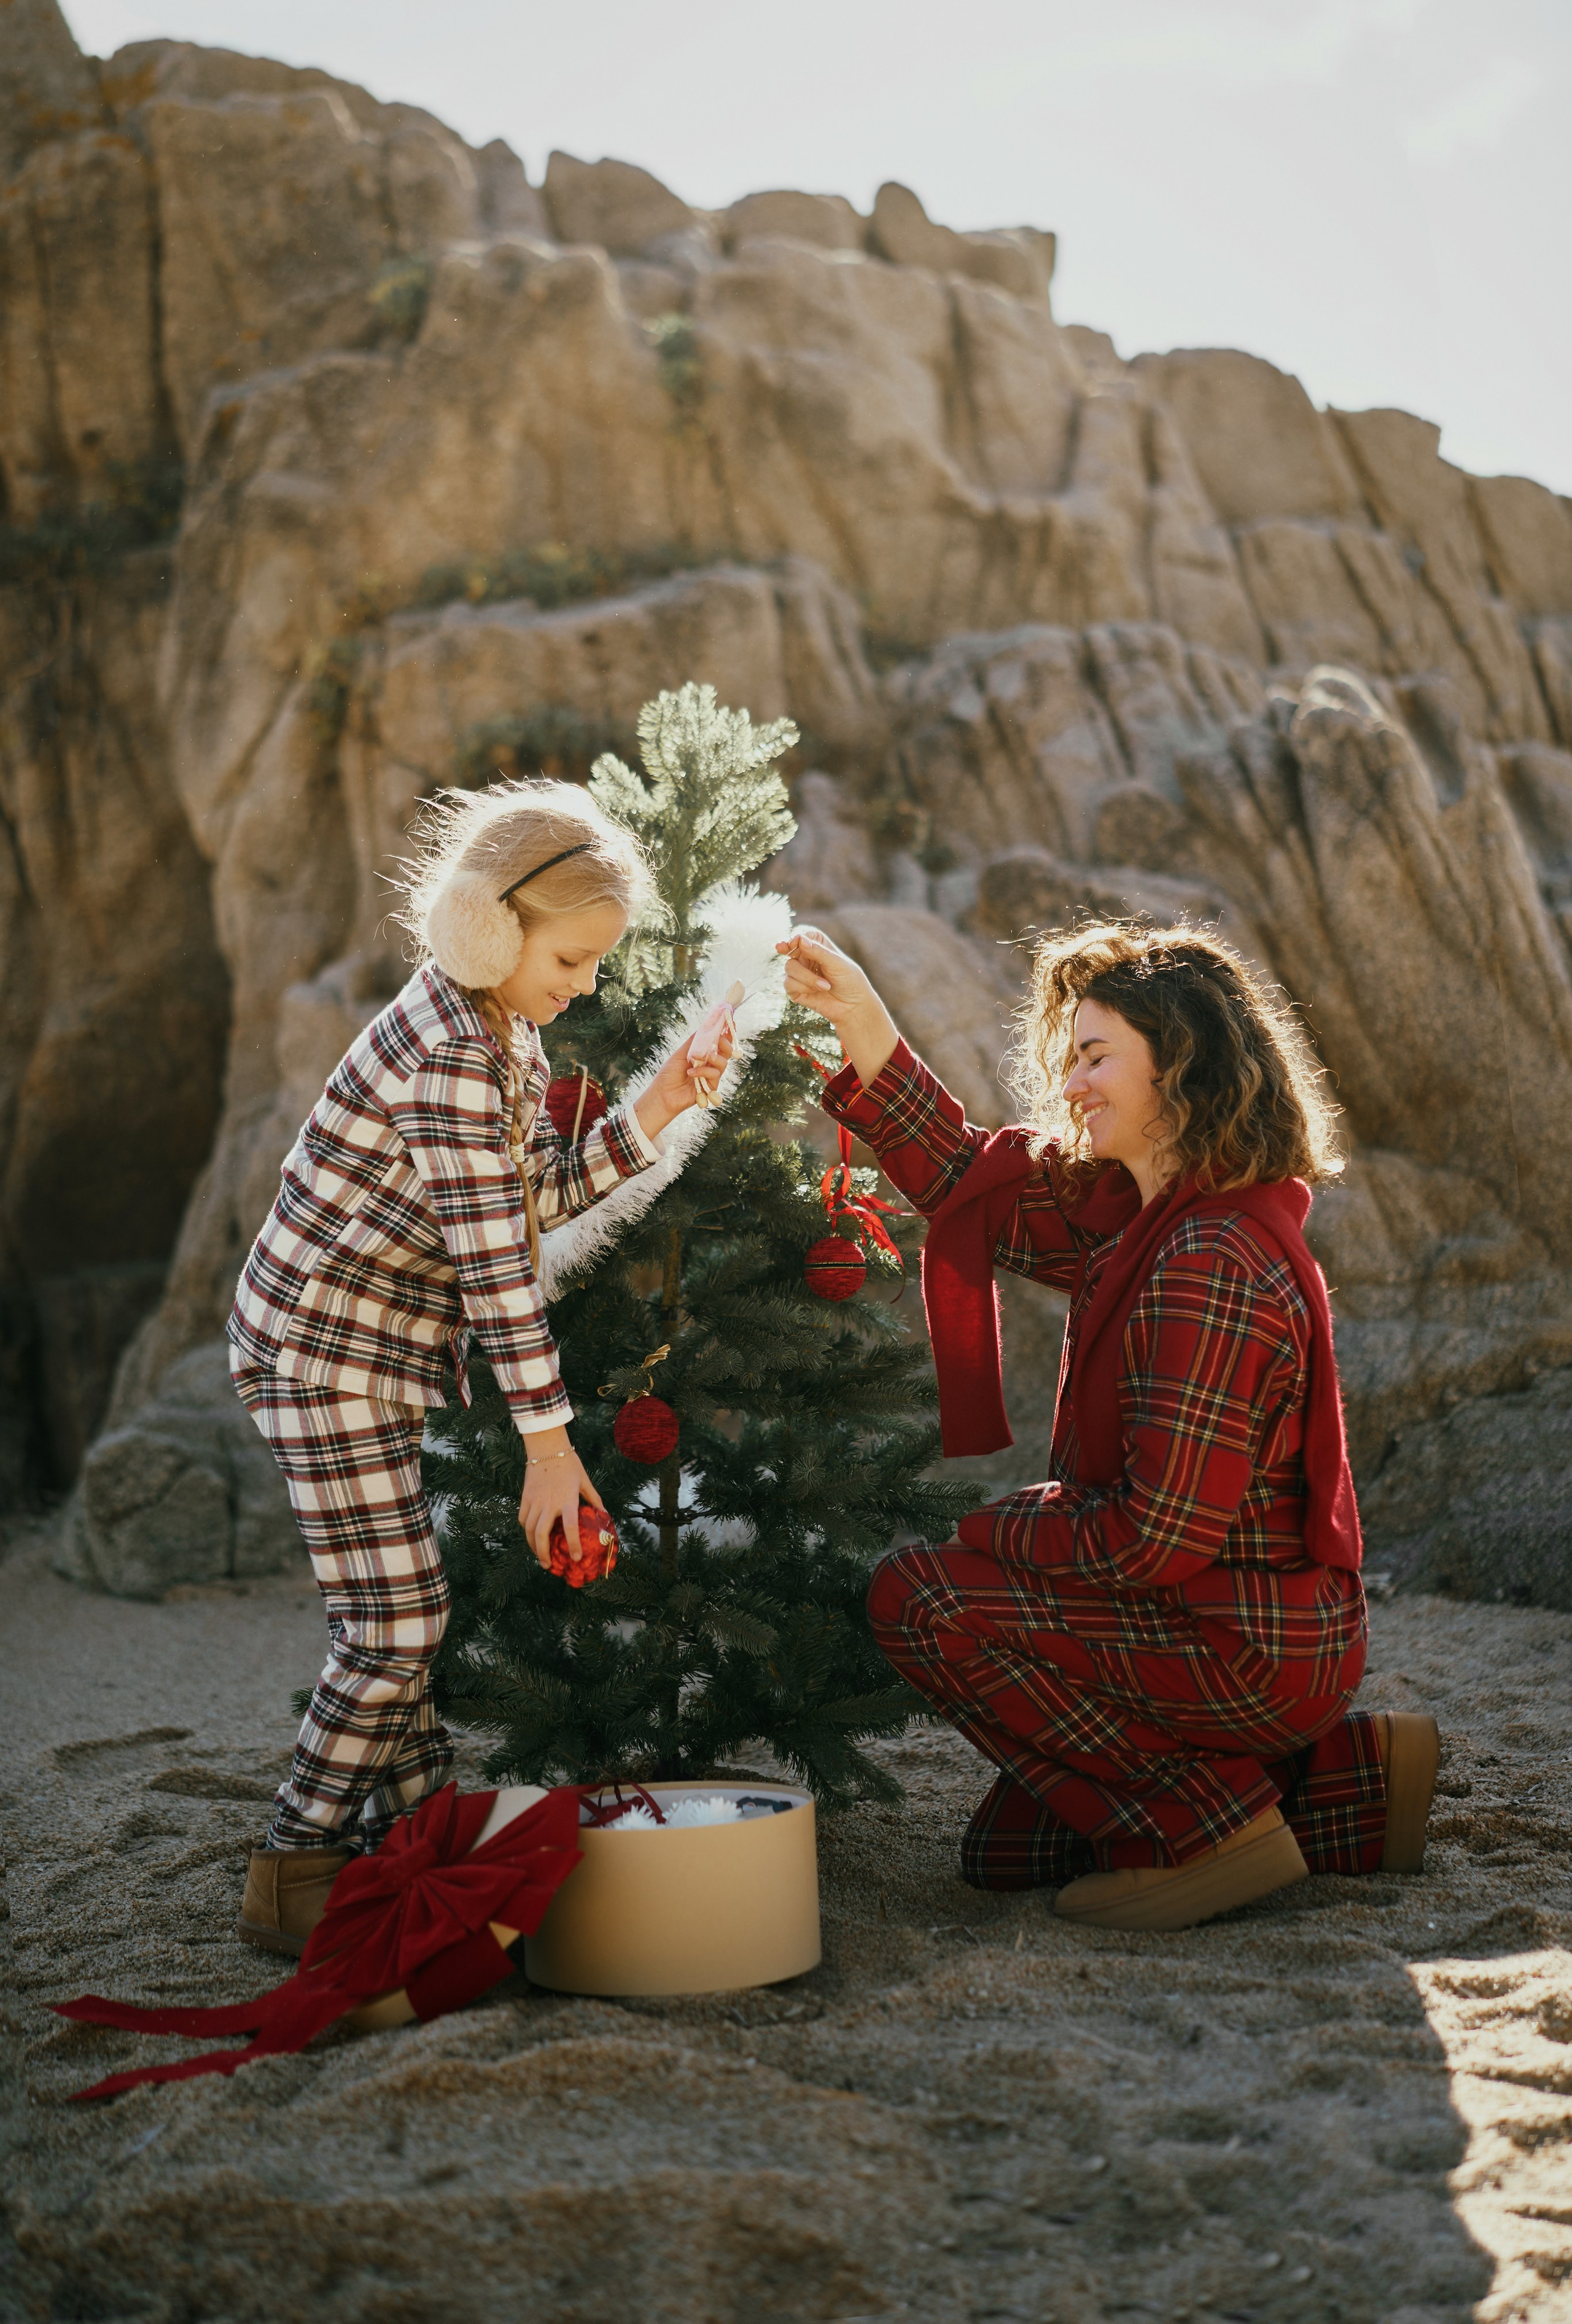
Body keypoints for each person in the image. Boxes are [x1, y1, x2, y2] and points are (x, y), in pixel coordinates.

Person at [777, 918, 1439, 1932]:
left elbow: (1155, 1540)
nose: (1071, 1083)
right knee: (1008, 1852)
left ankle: (1209, 1830)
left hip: (1243, 1644)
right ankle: (1341, 1777)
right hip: (1224, 1624)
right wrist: (863, 1018)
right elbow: (972, 1190)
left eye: (1096, 1057)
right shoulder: (1146, 1216)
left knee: (923, 1597)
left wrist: (998, 1529)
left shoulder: (1209, 1258)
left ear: (1180, 1066)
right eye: (1071, 1056)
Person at [228, 779, 731, 1956]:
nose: (588, 982)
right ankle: (292, 1866)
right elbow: (500, 1272)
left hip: (380, 1354)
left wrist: (661, 1098)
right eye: (573, 956)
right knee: (397, 1624)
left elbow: (533, 1200)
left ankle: (414, 1838)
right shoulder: (449, 1052)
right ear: (487, 928)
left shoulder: (504, 1025)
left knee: (398, 1607)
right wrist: (549, 1452)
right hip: (316, 1349)